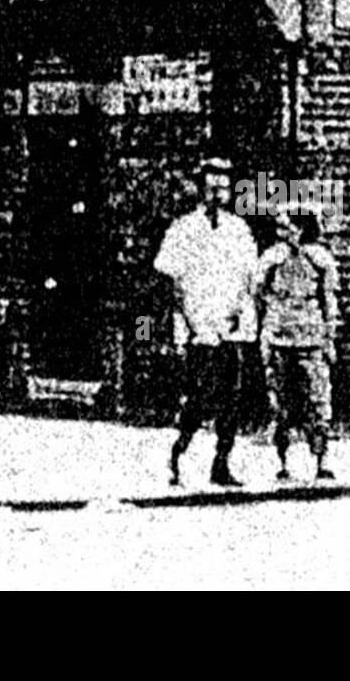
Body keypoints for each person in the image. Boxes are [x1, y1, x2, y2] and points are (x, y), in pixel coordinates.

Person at [154, 159, 258, 488]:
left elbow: (247, 279)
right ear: (201, 190)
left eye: (224, 188)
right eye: (212, 188)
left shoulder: (239, 230)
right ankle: (177, 456)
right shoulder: (183, 229)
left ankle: (221, 463)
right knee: (198, 399)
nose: (218, 195)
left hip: (229, 327)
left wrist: (239, 316)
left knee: (231, 400)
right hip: (197, 329)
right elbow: (173, 283)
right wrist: (190, 324)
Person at [256, 201, 339, 482]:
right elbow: (259, 296)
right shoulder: (270, 258)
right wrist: (266, 335)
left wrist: (329, 338)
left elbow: (330, 302)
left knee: (317, 402)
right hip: (280, 339)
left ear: (301, 227)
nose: (282, 231)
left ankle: (321, 461)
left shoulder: (320, 259)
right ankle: (283, 462)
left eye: (287, 225)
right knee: (280, 403)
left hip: (311, 340)